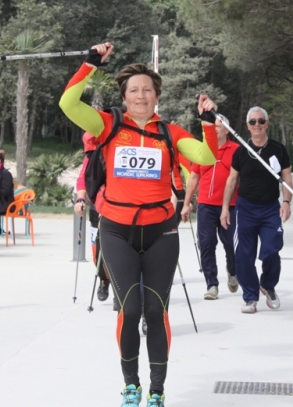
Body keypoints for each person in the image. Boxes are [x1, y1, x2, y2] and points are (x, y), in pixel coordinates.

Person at [59, 42, 219, 407]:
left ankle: (158, 390)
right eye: (134, 90)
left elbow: (207, 156)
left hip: (161, 230)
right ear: (125, 95)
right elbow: (68, 103)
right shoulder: (108, 124)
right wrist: (89, 65)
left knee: (155, 310)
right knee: (130, 310)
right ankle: (131, 385)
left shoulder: (171, 133)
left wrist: (208, 124)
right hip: (116, 229)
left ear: (157, 95)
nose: (141, 95)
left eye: (147, 89)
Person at [220, 106, 293, 314]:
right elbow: (232, 179)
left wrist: (286, 202)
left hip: (271, 208)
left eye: (261, 121)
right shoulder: (241, 150)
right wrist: (226, 208)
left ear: (267, 123)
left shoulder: (278, 149)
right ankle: (250, 296)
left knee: (272, 248)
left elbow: (287, 178)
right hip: (246, 208)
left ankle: (268, 286)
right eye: (253, 122)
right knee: (244, 254)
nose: (257, 125)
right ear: (247, 126)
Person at [180, 117, 239, 300]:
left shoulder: (236, 150)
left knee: (230, 244)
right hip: (206, 205)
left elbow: (241, 178)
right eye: (212, 128)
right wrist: (186, 204)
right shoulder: (203, 149)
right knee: (206, 244)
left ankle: (233, 270)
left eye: (218, 128)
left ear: (227, 130)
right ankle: (212, 284)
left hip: (230, 206)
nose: (214, 131)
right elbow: (194, 178)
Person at [74, 132, 110, 302]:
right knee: (97, 251)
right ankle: (104, 279)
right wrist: (80, 199)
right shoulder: (92, 155)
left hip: (119, 208)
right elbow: (83, 178)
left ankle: (121, 286)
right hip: (97, 207)